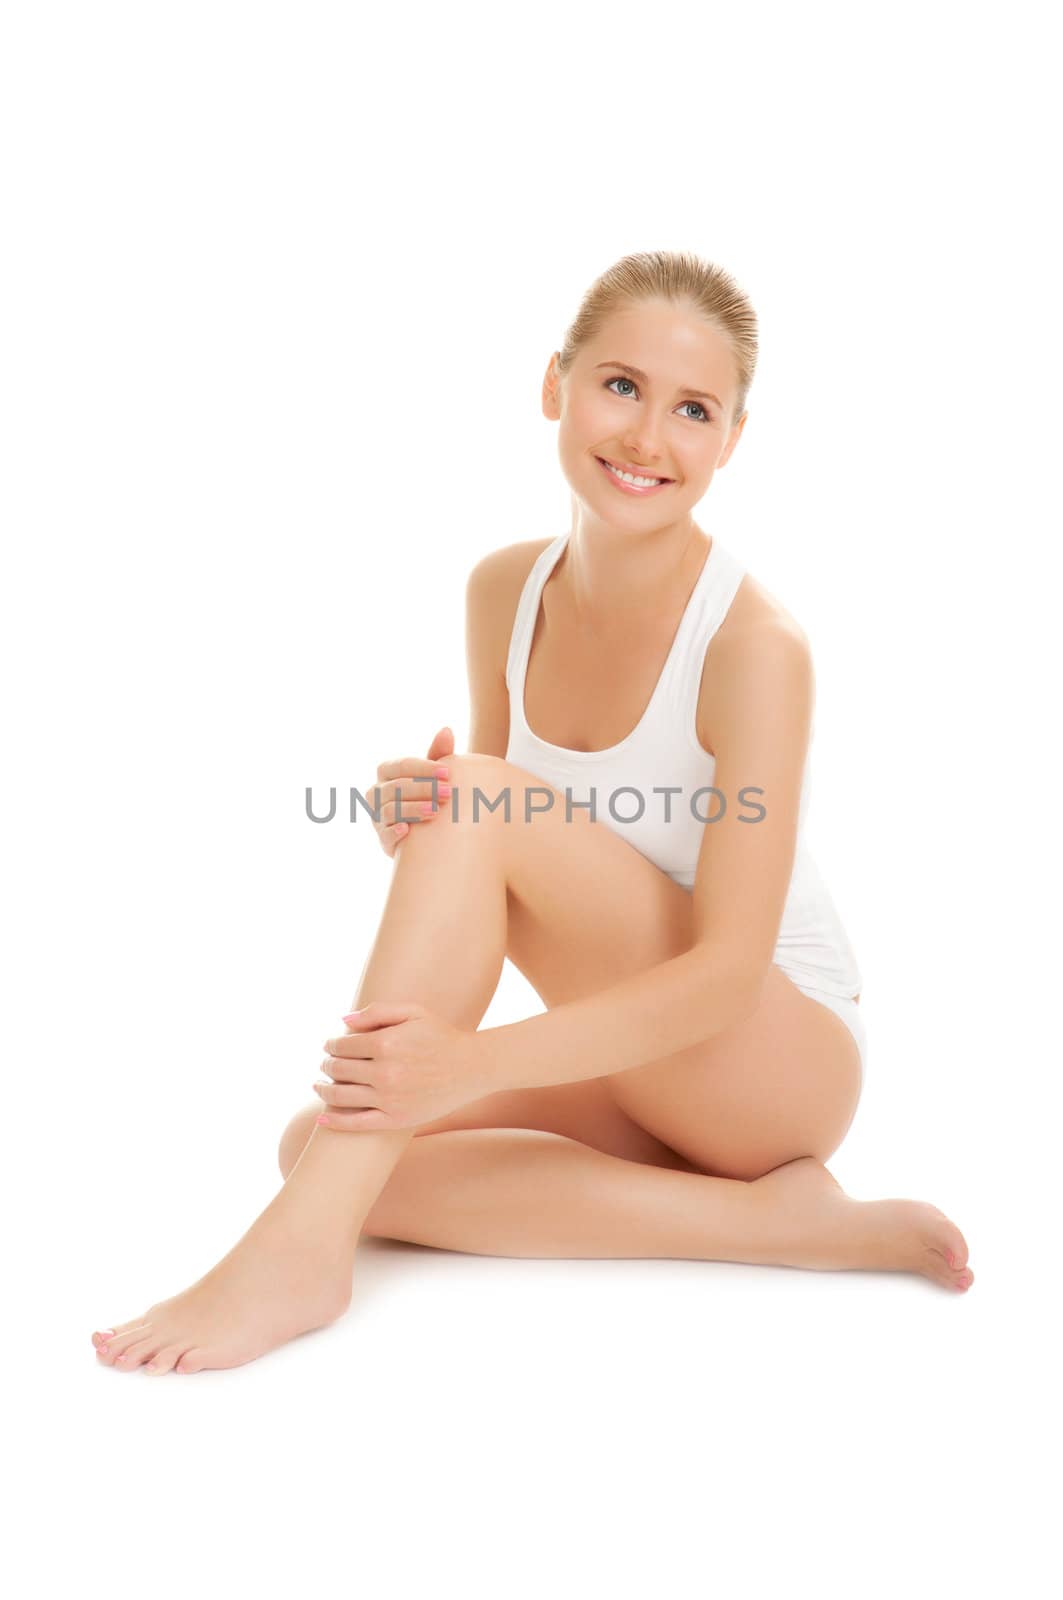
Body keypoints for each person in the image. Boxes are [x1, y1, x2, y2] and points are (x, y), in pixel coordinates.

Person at [92, 250, 972, 1377]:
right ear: (552, 384)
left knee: (357, 1136)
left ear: (731, 443)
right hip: (640, 1054)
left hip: (771, 1051)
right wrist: (419, 826)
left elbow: (720, 972)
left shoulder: (755, 648)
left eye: (692, 410)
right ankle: (774, 1225)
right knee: (321, 1144)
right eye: (620, 385)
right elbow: (501, 865)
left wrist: (470, 1061)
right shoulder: (502, 590)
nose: (648, 437)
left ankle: (298, 1259)